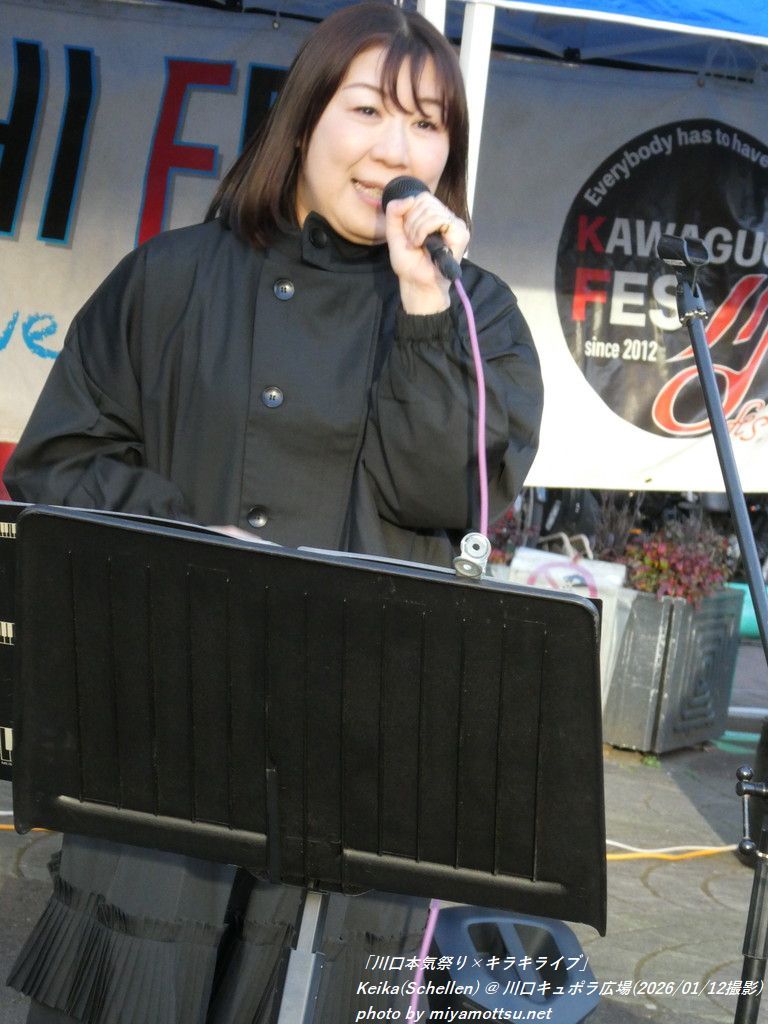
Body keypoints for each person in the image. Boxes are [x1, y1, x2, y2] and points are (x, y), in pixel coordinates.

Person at [4, 2, 544, 1021]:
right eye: (368, 109)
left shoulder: (478, 315)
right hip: (172, 730)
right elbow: (58, 463)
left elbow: (451, 495)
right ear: (303, 121)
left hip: (360, 763)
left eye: (426, 124)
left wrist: (425, 307)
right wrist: (193, 544)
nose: (396, 149)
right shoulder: (172, 276)